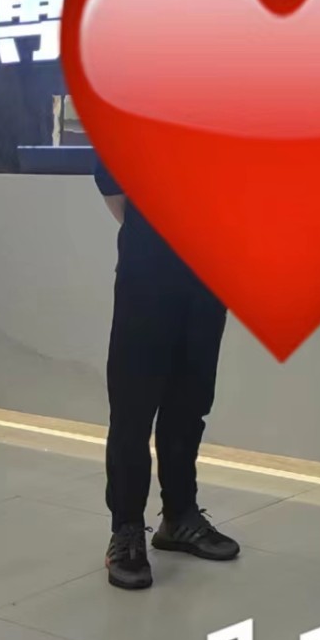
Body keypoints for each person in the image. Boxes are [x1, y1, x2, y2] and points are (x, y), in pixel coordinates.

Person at [95, 160, 240, 589]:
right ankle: (126, 528)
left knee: (190, 404)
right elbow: (113, 185)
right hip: (147, 271)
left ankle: (179, 516)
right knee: (133, 408)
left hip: (210, 272)